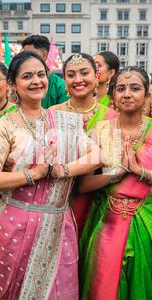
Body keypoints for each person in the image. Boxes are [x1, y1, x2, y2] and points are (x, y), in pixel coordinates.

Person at [0, 51, 100, 300]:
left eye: (41, 75)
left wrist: (64, 170)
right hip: (15, 227)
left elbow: (97, 155)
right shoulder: (6, 124)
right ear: (13, 84)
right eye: (27, 76)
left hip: (58, 226)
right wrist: (32, 174)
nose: (36, 81)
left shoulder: (65, 121)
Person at [78, 67, 152, 300]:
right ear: (112, 97)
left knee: (142, 284)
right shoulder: (98, 131)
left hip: (147, 219)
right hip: (106, 218)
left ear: (147, 97)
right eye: (120, 88)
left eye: (135, 88)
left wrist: (143, 172)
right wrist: (115, 175)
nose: (127, 94)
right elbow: (82, 185)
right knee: (103, 286)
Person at [51, 52, 119, 236]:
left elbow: (113, 169)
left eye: (84, 73)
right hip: (56, 199)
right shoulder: (51, 114)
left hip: (97, 202)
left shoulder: (112, 117)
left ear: (96, 77)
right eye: (71, 75)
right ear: (64, 80)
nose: (78, 79)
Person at [21, 35, 69, 109]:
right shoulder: (19, 82)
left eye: (31, 55)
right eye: (24, 55)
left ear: (44, 55)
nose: (26, 58)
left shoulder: (60, 85)